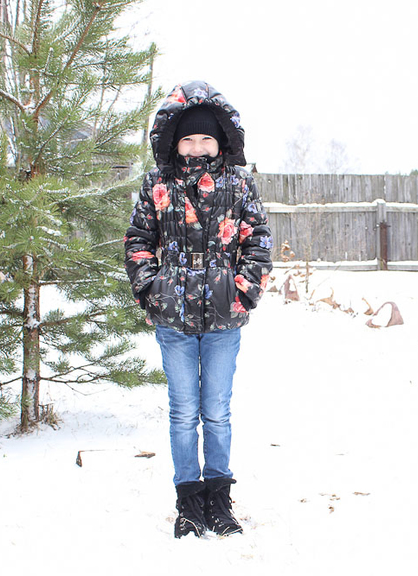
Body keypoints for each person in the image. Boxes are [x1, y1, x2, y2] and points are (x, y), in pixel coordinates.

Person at [124, 81, 273, 538]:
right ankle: (189, 502)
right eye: (188, 138)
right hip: (174, 320)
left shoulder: (239, 184)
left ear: (221, 140)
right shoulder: (157, 184)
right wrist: (152, 290)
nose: (197, 147)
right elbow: (138, 241)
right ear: (173, 140)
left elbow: (258, 243)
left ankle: (220, 499)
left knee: (217, 412)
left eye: (206, 138)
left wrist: (241, 291)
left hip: (224, 319)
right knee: (183, 411)